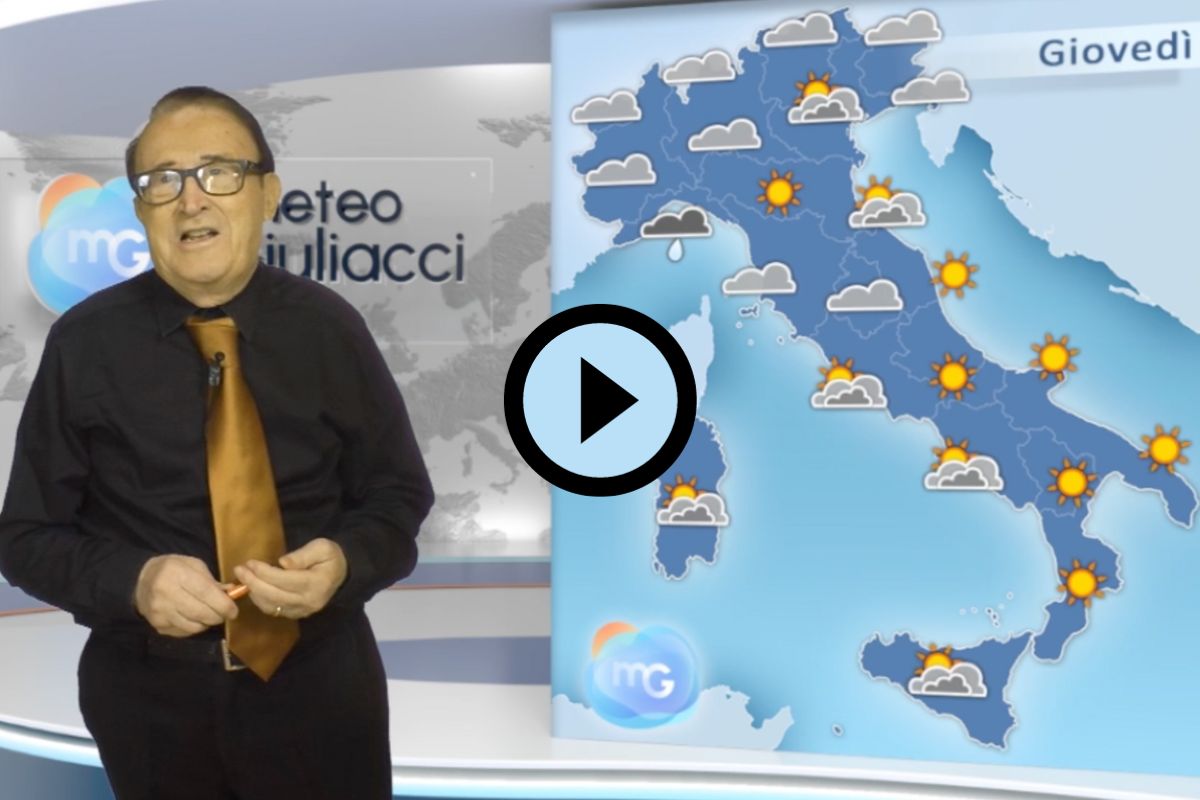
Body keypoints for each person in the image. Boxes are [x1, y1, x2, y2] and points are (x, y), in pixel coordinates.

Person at [0, 86, 434, 799]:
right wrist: (133, 581)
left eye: (219, 172)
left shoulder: (329, 329)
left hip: (322, 693)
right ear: (142, 210)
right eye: (162, 180)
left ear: (268, 194)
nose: (191, 199)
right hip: (148, 706)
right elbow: (25, 537)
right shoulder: (84, 344)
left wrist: (345, 562)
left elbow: (397, 497)